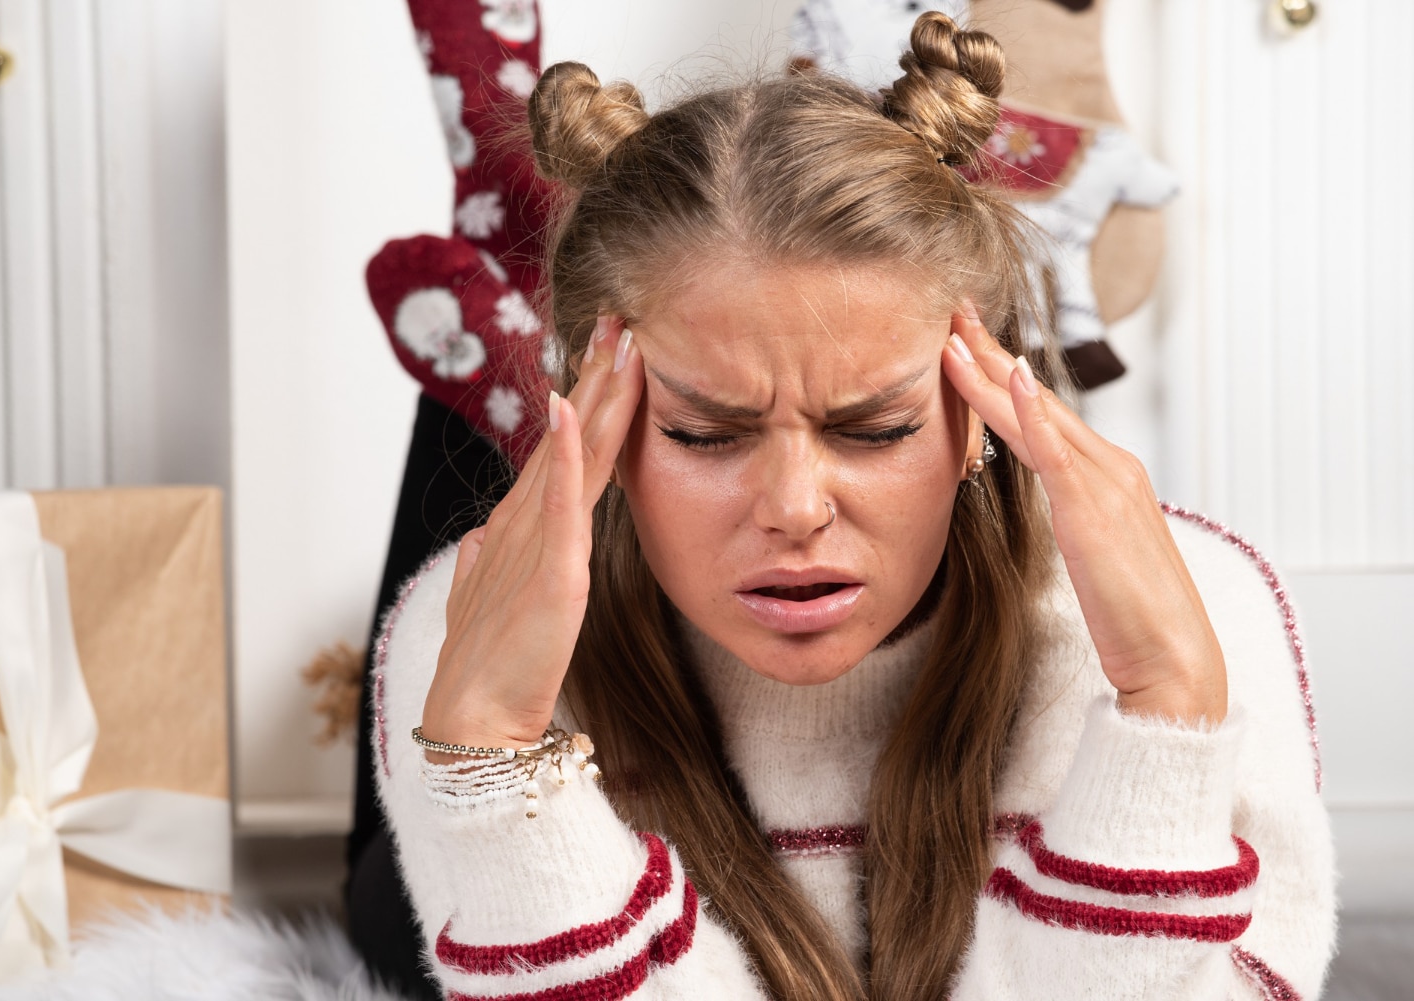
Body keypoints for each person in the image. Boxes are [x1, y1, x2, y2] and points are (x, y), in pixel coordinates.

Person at [371, 13, 1335, 999]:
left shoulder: (1206, 605)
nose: (795, 508)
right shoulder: (463, 642)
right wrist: (492, 754)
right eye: (707, 434)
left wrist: (1165, 714)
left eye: (873, 428)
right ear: (603, 422)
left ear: (978, 414)